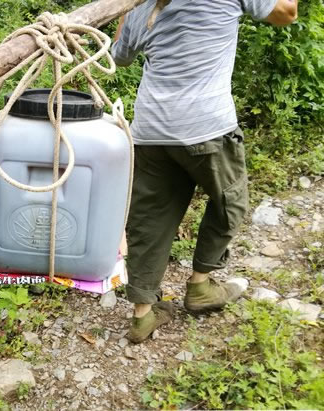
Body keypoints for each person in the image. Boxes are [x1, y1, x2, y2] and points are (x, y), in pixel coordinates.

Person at [111, 0, 298, 343]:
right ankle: (199, 286)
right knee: (231, 200)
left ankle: (142, 315)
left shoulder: (141, 7)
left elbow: (119, 57)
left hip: (152, 131)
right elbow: (287, 13)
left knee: (150, 218)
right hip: (206, 127)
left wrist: (126, 9)